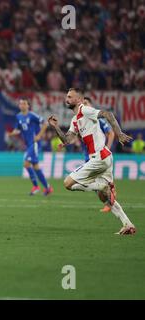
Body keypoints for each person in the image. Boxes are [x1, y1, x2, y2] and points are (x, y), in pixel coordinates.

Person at [47, 88, 135, 235]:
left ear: (78, 99)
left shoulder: (85, 109)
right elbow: (67, 139)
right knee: (105, 198)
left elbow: (108, 114)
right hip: (105, 158)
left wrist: (119, 133)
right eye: (66, 97)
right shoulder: (75, 120)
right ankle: (128, 224)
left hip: (99, 157)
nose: (66, 99)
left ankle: (101, 186)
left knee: (67, 183)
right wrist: (56, 127)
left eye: (70, 97)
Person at [8, 99, 53, 196]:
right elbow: (18, 129)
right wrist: (12, 133)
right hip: (28, 144)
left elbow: (45, 123)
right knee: (36, 167)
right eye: (20, 103)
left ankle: (36, 186)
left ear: (28, 105)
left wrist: (39, 136)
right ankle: (48, 188)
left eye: (24, 103)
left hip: (34, 143)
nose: (22, 105)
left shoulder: (32, 115)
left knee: (26, 164)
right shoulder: (18, 116)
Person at [83, 97, 115, 213]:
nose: (84, 105)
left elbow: (111, 133)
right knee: (93, 182)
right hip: (88, 156)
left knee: (98, 182)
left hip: (99, 156)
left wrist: (107, 148)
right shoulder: (82, 120)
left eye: (86, 103)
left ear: (91, 105)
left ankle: (110, 198)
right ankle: (108, 197)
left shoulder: (97, 119)